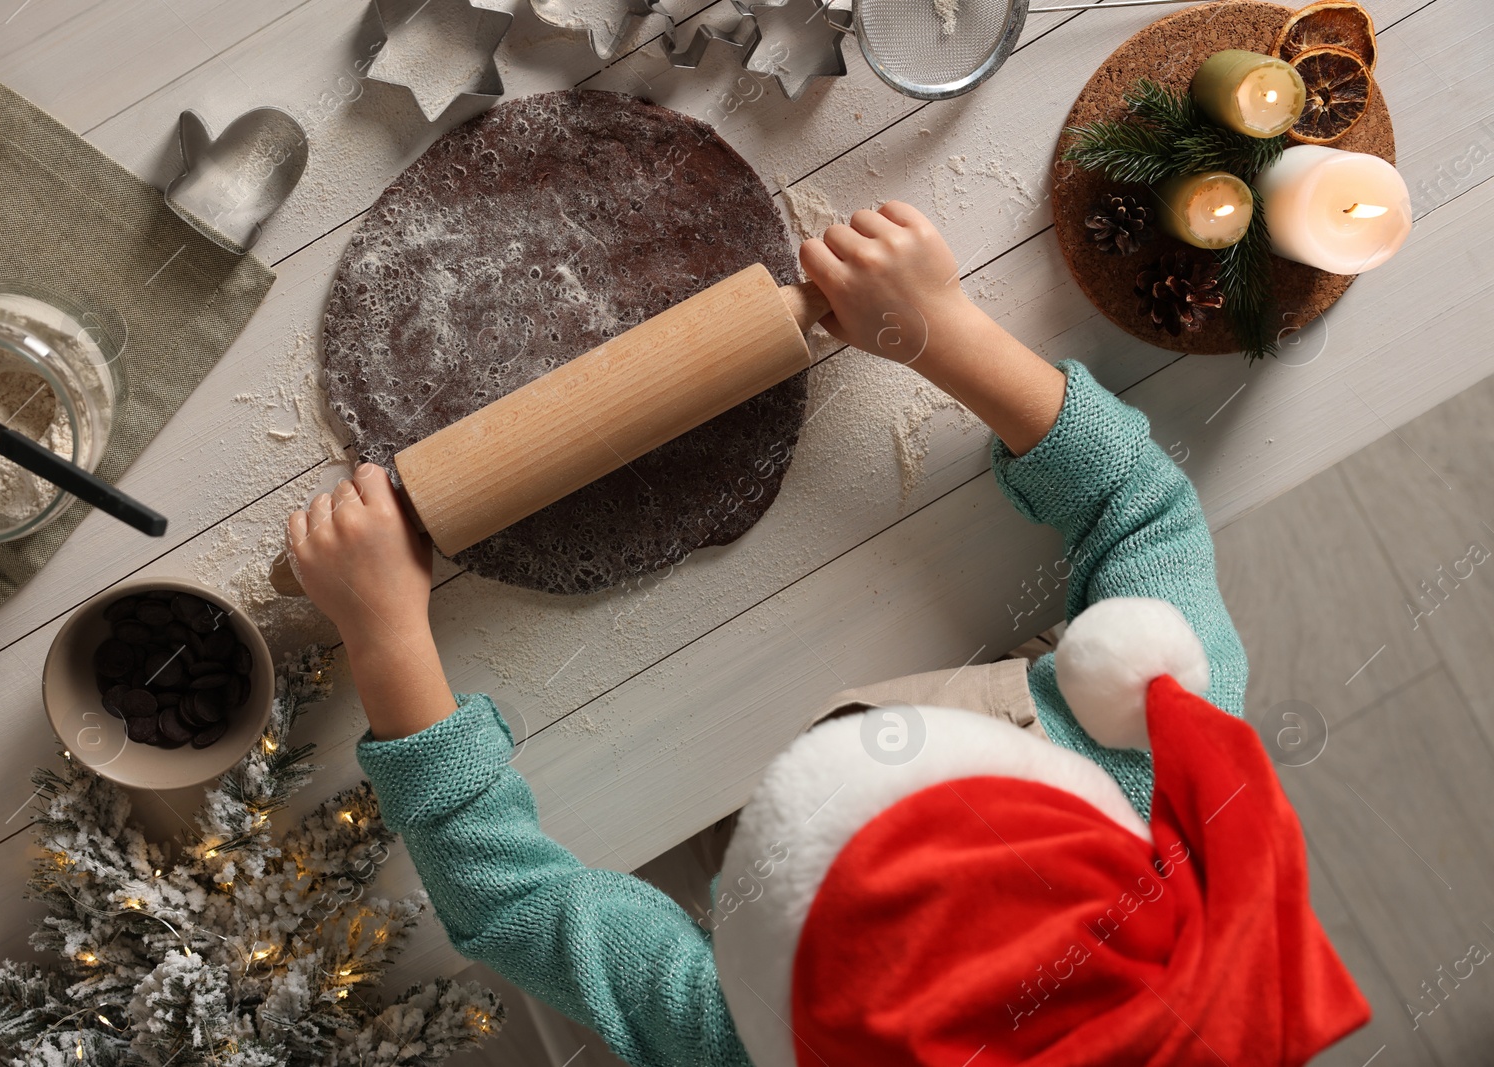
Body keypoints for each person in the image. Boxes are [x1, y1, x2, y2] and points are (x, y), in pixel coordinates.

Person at [286, 202, 1369, 1065]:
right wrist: (941, 332)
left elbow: (520, 905)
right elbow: (1139, 508)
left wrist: (384, 632)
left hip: (720, 828)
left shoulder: (752, 1039)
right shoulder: (1156, 744)